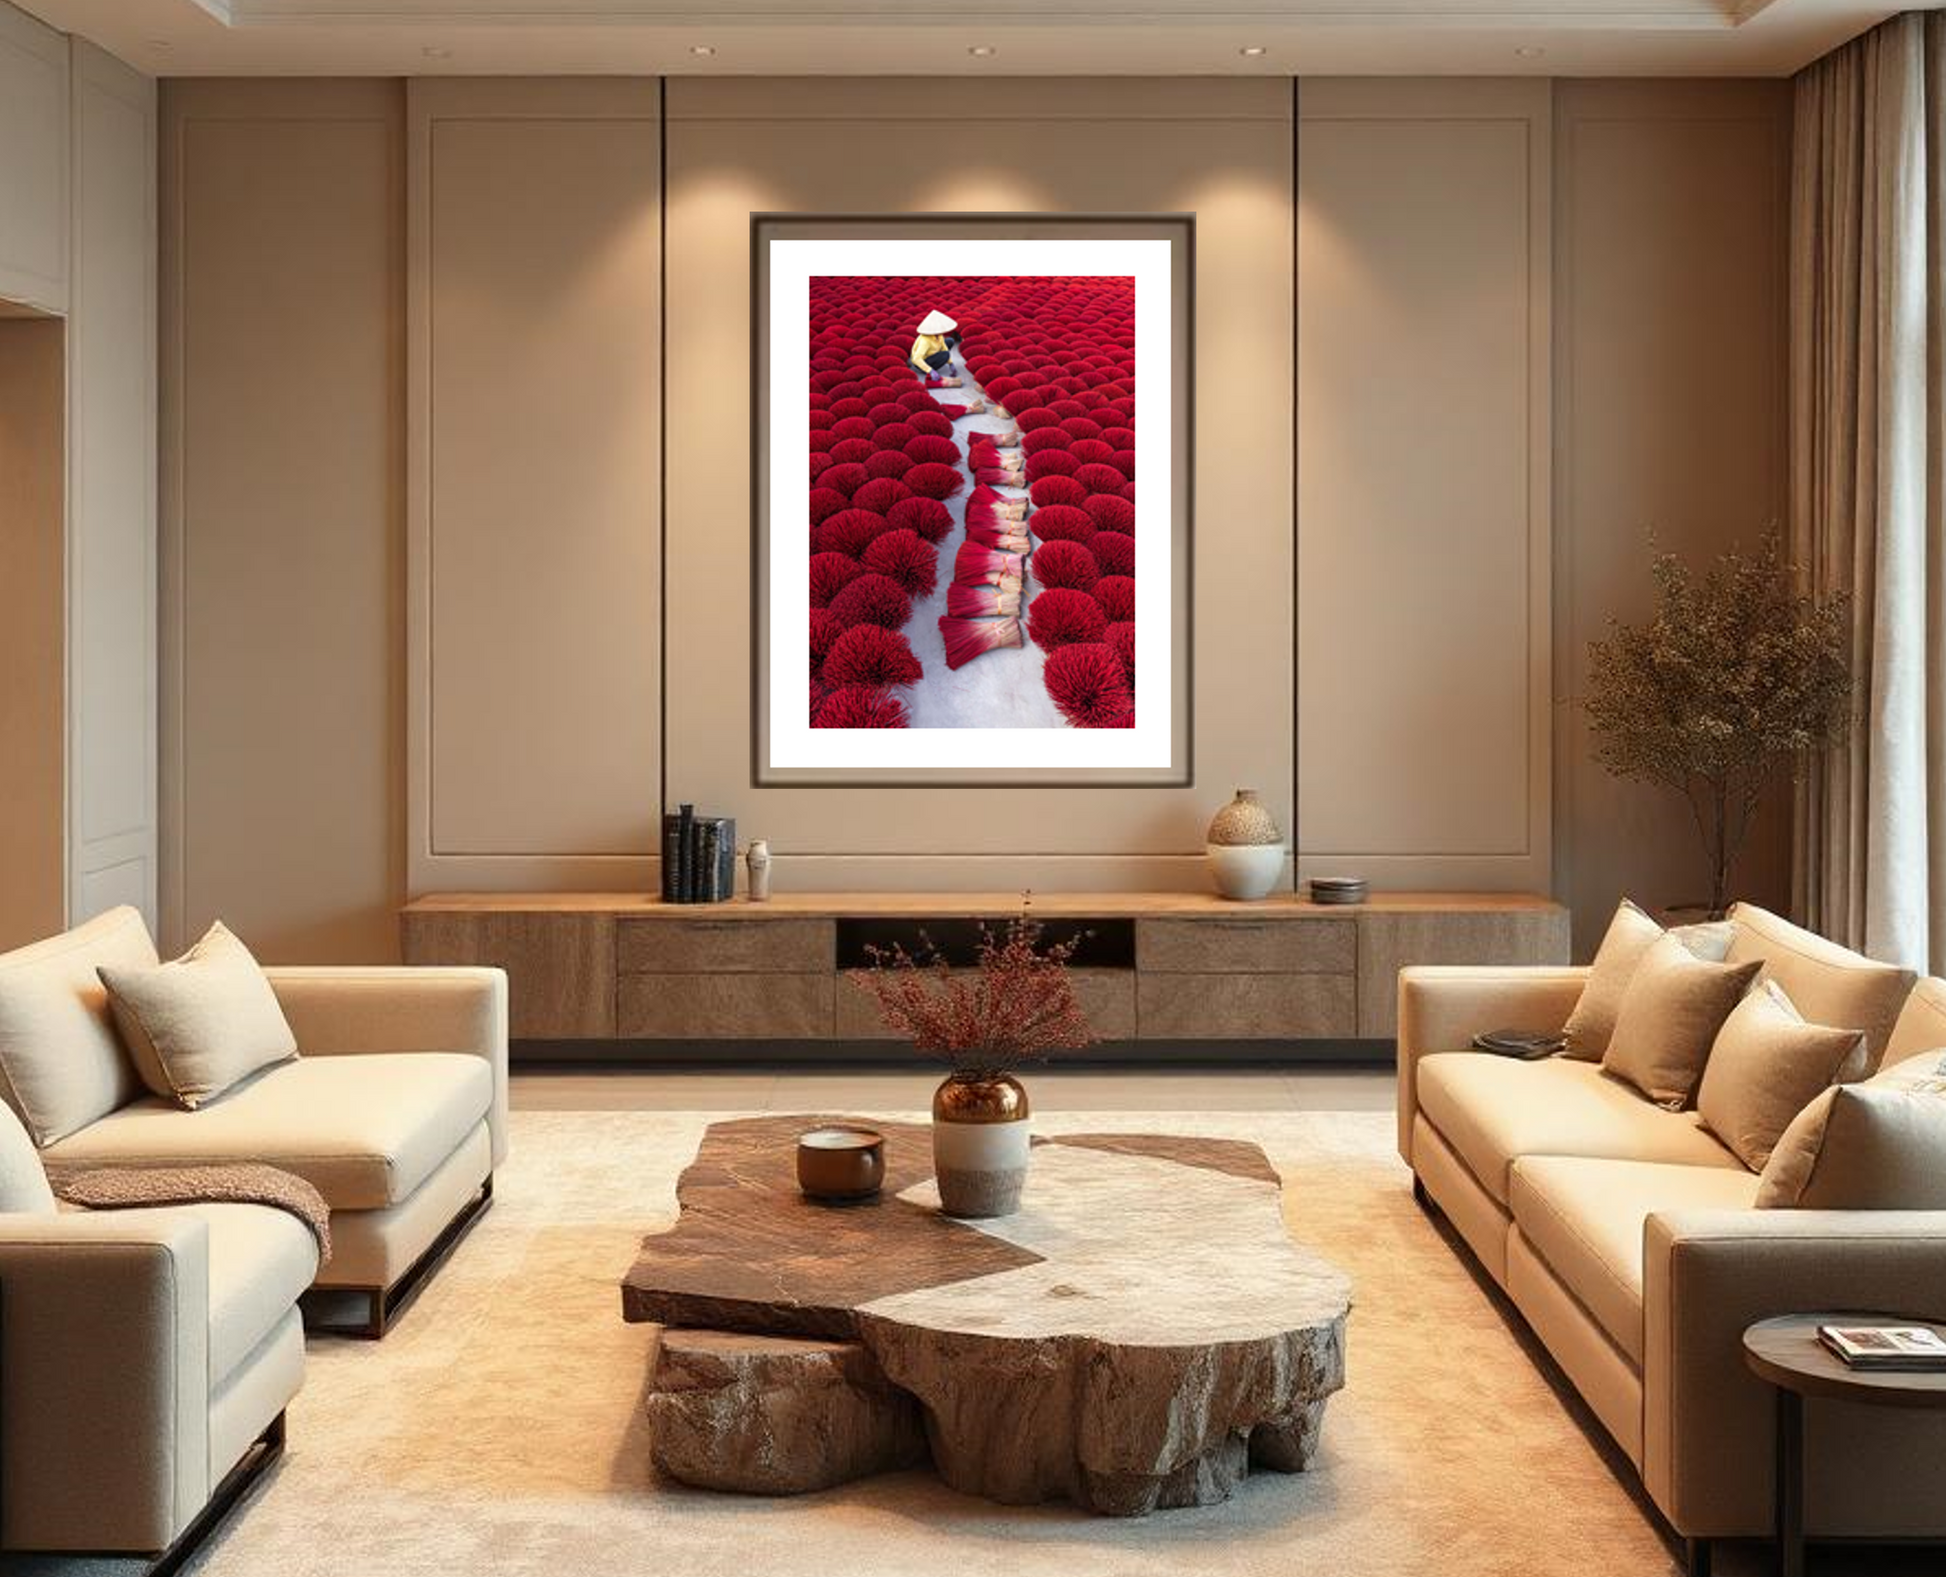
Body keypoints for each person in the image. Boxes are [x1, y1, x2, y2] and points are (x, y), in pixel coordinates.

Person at [908, 309, 963, 386]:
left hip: (932, 353)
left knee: (950, 341)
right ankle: (928, 369)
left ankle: (938, 361)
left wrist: (951, 364)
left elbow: (944, 348)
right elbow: (916, 359)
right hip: (922, 362)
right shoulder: (925, 340)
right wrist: (930, 370)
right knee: (945, 354)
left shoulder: (939, 335)